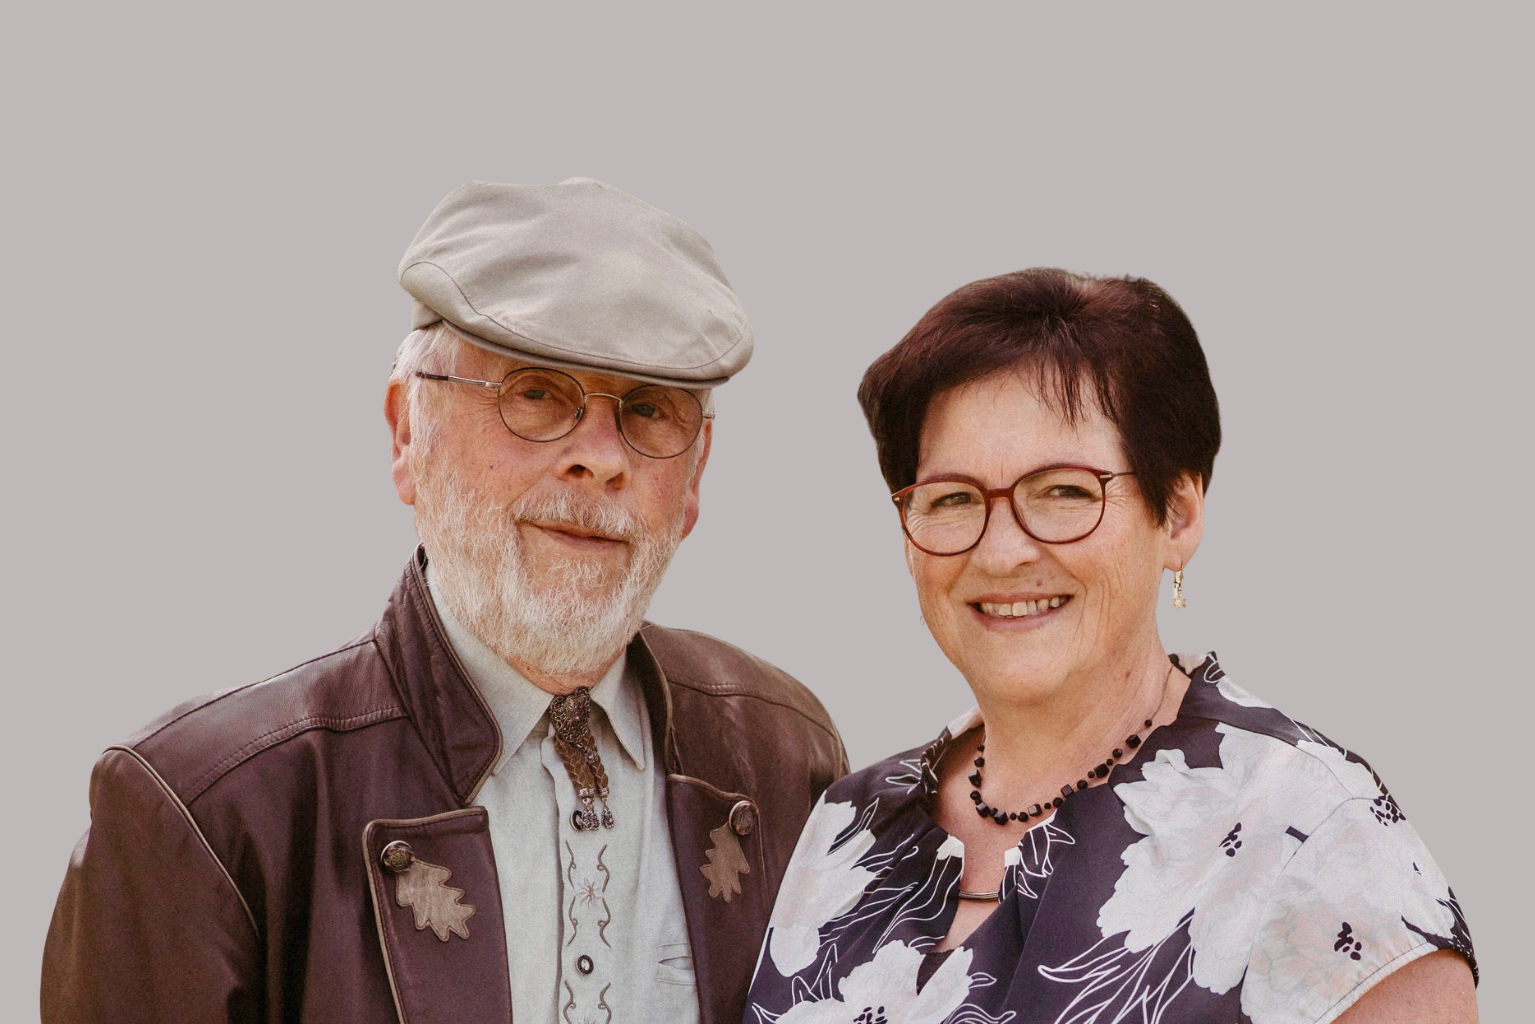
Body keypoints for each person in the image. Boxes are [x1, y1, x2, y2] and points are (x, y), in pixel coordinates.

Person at [42, 178, 847, 1024]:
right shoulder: (204, 811)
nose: (601, 458)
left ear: (695, 476)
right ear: (407, 434)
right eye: (536, 393)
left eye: (649, 411)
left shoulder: (782, 755)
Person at [744, 269, 1476, 1023]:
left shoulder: (1310, 835)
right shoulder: (848, 824)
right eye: (953, 498)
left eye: (1064, 491)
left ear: (1177, 515)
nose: (1002, 553)